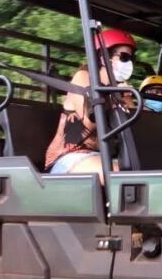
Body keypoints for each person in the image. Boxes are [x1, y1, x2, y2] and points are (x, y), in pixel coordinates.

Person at [44, 28, 136, 182]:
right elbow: (90, 121)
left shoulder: (122, 88)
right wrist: (113, 98)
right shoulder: (83, 78)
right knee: (122, 176)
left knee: (144, 170)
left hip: (106, 156)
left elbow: (135, 129)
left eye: (132, 59)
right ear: (103, 57)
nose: (129, 63)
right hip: (70, 158)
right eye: (124, 57)